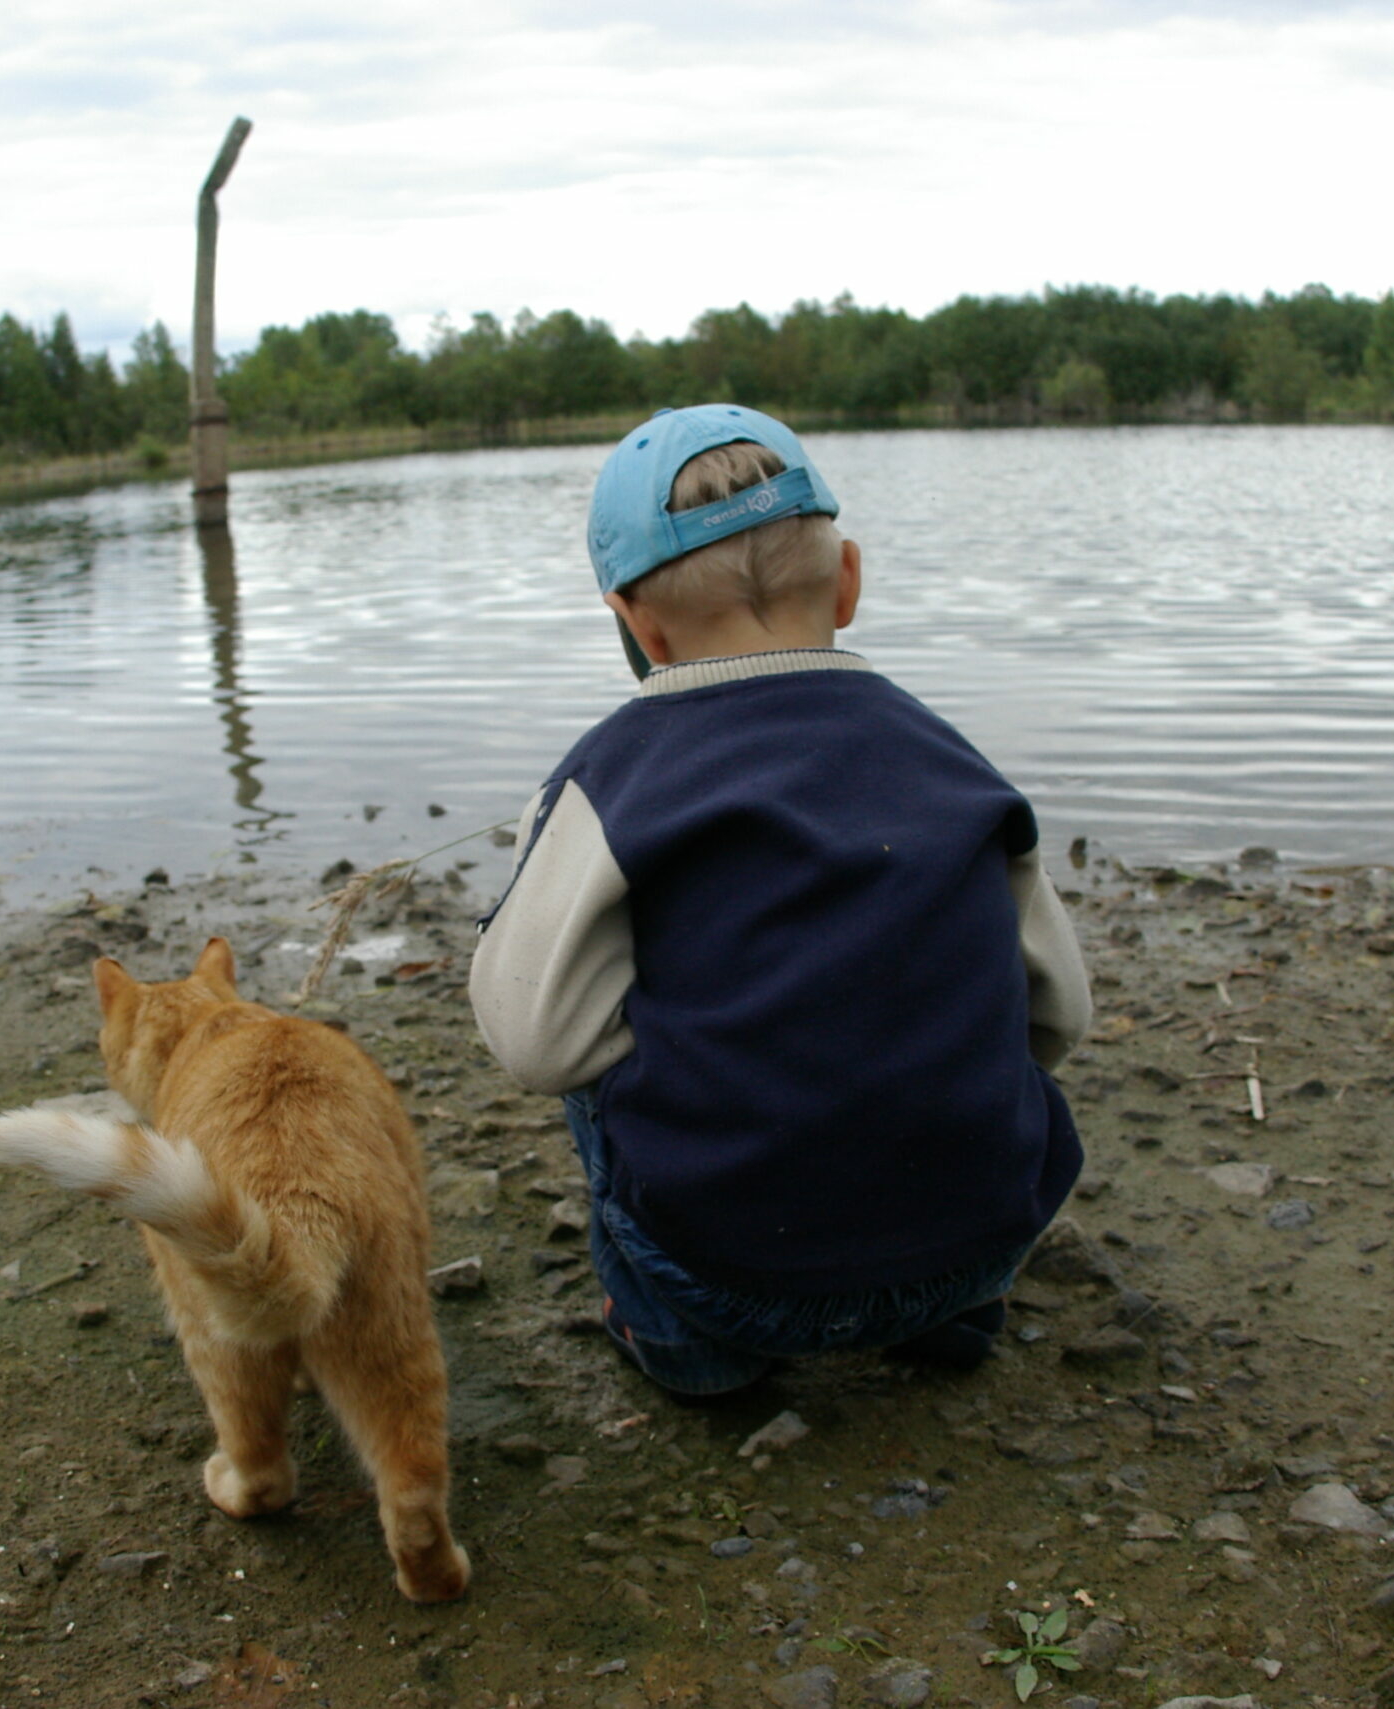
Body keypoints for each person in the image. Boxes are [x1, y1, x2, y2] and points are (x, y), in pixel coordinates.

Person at [467, 403, 1093, 1396]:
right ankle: (950, 1308)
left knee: (589, 1048)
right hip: (982, 1236)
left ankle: (690, 1349)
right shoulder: (946, 756)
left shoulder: (614, 774)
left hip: (731, 1274)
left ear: (635, 621)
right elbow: (1060, 1009)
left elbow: (534, 1043)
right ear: (847, 580)